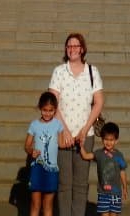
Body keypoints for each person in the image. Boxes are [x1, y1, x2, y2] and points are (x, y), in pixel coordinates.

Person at [49, 32, 104, 216]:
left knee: (80, 183)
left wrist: (85, 129)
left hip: (84, 136)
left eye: (76, 46)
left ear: (82, 49)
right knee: (64, 184)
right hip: (63, 134)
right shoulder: (59, 71)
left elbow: (99, 102)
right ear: (66, 50)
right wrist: (64, 130)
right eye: (69, 46)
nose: (72, 49)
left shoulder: (92, 71)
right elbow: (52, 102)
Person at [25, 91, 64, 216]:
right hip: (37, 168)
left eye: (51, 110)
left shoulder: (58, 125)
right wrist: (31, 151)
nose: (47, 113)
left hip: (52, 169)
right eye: (44, 110)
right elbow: (27, 145)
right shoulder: (34, 125)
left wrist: (76, 140)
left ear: (55, 110)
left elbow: (62, 144)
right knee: (35, 204)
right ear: (40, 108)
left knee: (48, 205)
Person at [79, 121, 128, 216]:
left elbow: (122, 171)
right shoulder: (99, 153)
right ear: (102, 139)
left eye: (111, 140)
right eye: (106, 139)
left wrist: (125, 187)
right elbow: (85, 156)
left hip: (116, 193)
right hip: (103, 193)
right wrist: (80, 146)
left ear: (116, 140)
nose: (108, 142)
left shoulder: (119, 156)